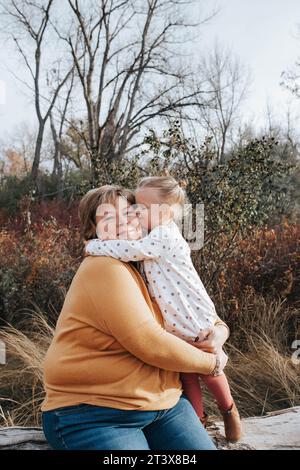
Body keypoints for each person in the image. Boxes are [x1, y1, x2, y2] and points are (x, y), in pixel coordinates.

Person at [41, 185, 229, 450]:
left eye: (128, 211)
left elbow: (197, 309)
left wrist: (219, 334)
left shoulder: (152, 260)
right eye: (107, 216)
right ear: (92, 231)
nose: (121, 220)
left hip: (164, 405)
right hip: (94, 412)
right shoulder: (103, 267)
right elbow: (149, 342)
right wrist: (212, 363)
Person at [85, 177, 242, 441]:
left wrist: (96, 246)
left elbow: (136, 250)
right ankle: (198, 420)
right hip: (173, 319)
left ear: (165, 212)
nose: (135, 213)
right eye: (134, 206)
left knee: (208, 369)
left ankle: (229, 410)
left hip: (188, 311)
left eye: (141, 208)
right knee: (185, 373)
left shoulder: (163, 234)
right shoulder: (146, 232)